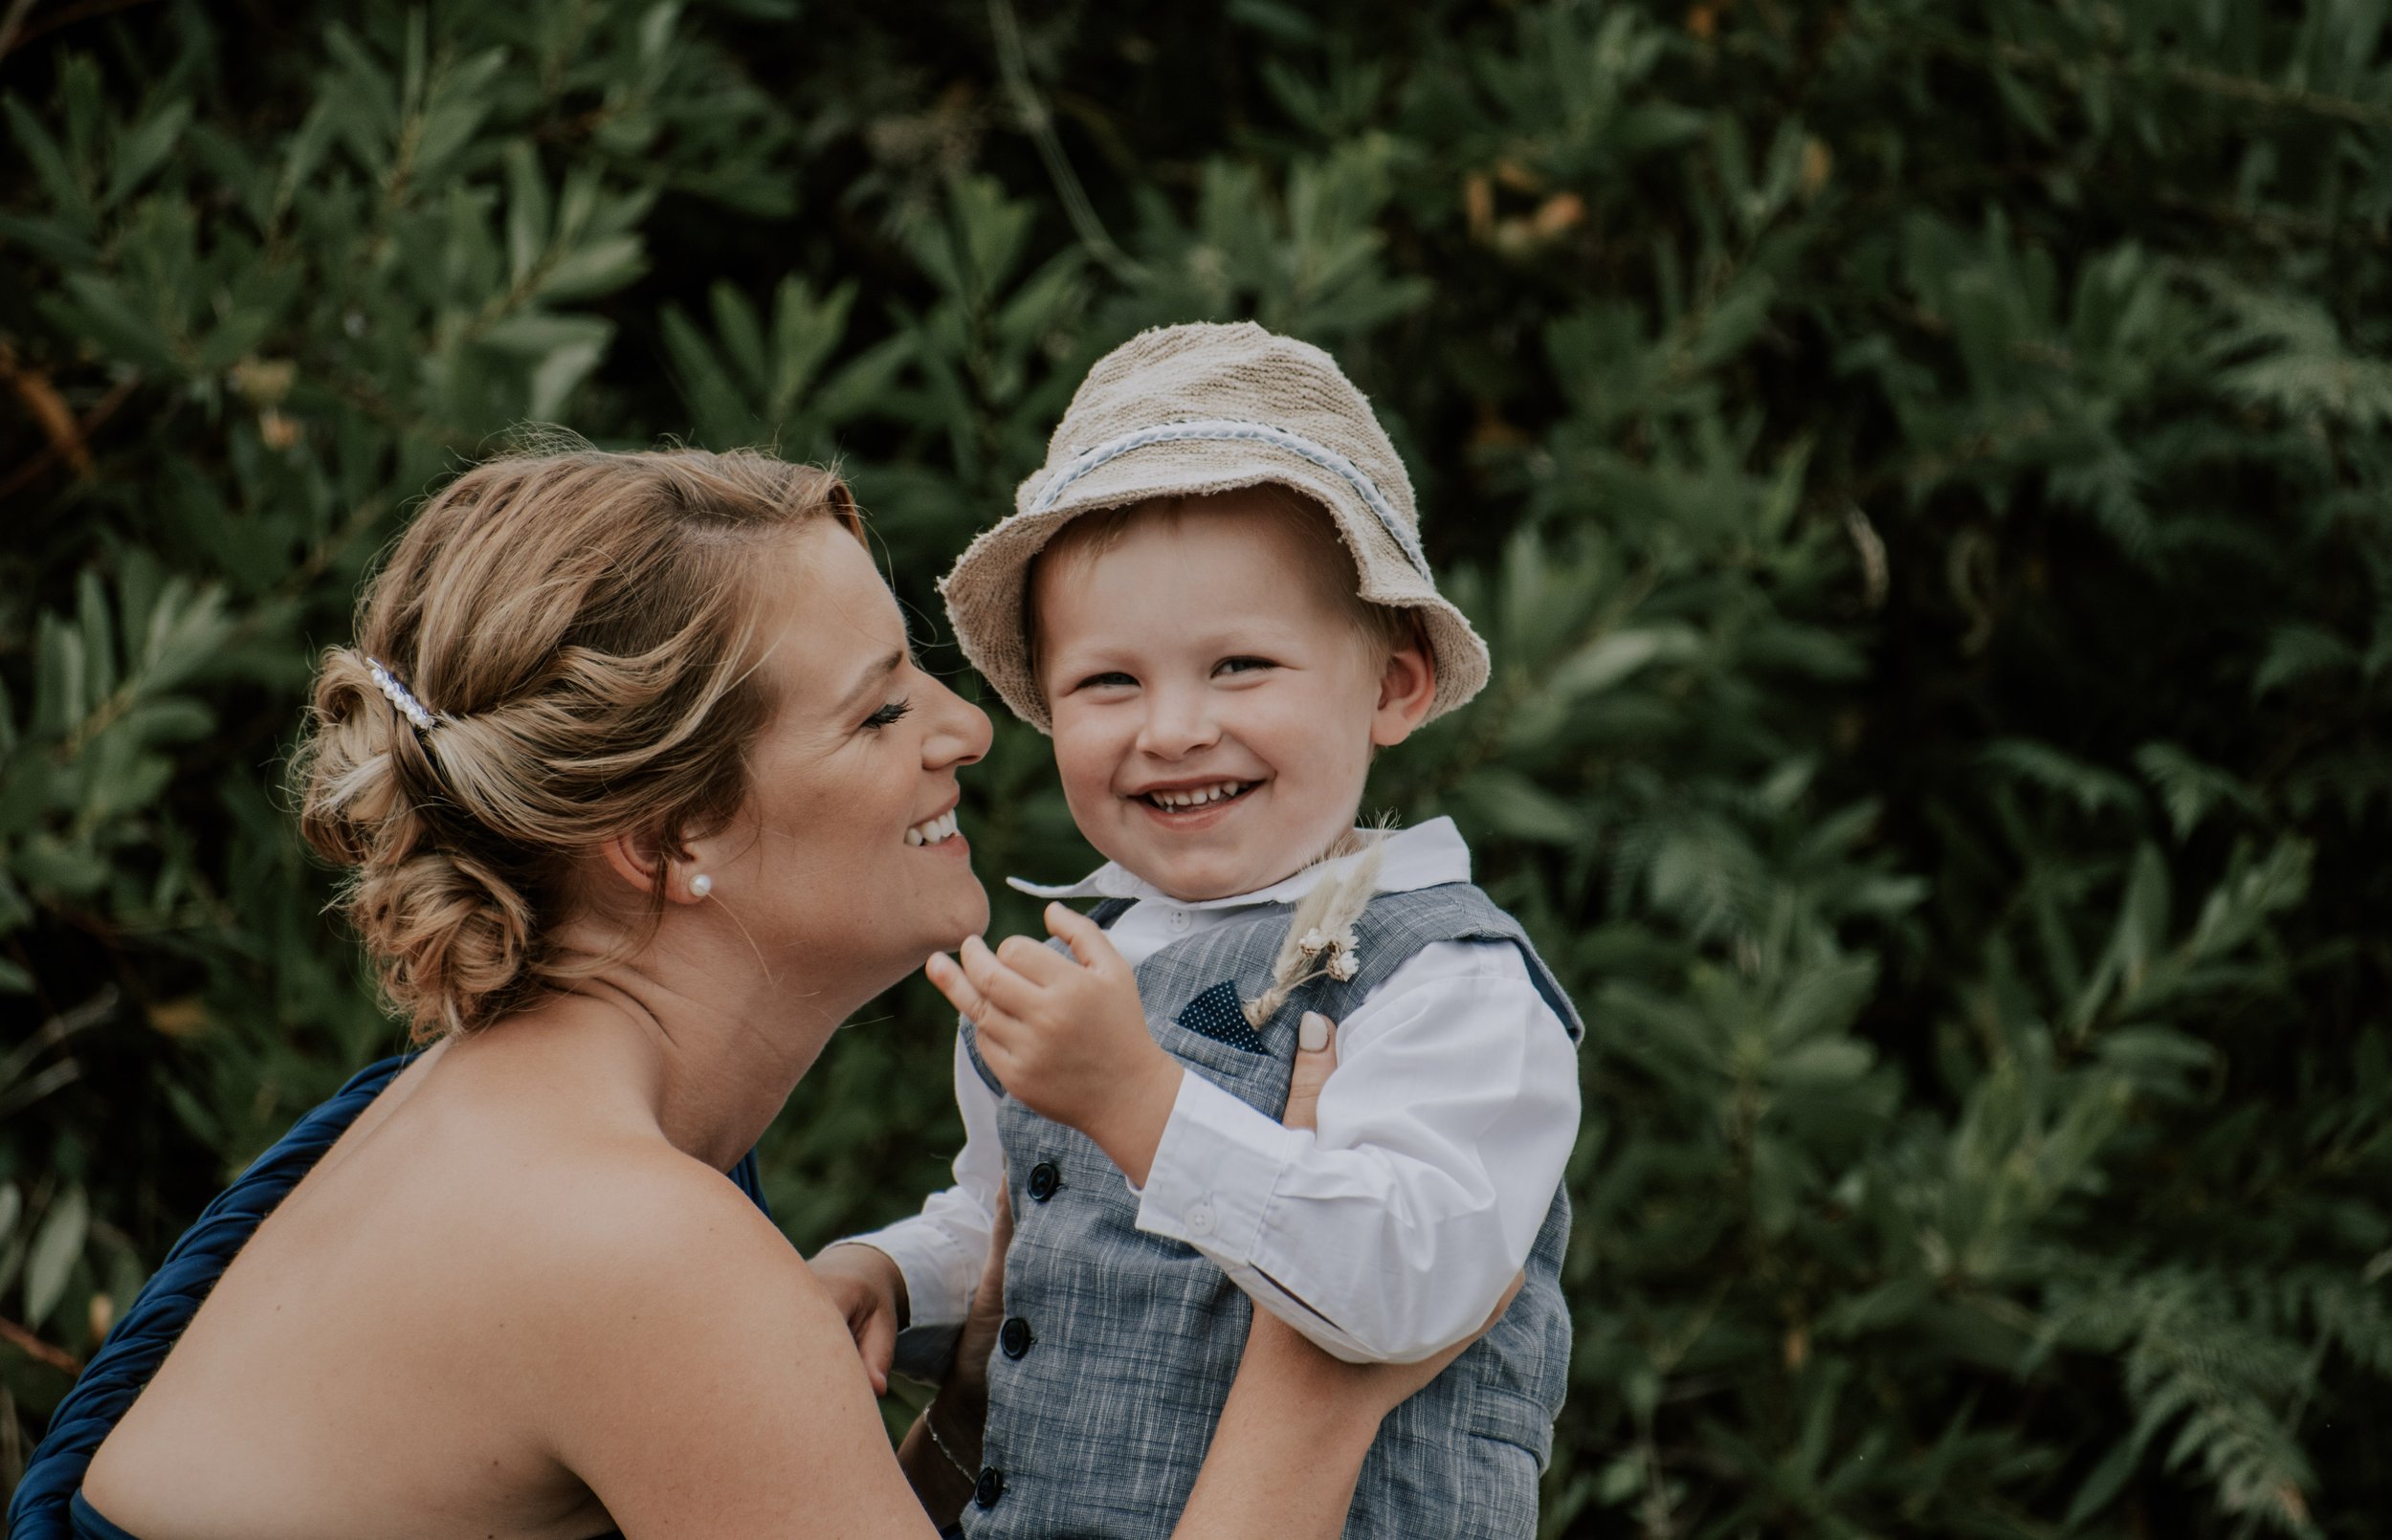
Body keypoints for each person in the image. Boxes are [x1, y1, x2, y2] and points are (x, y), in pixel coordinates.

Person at [10, 446, 1490, 1540]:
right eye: (881, 705)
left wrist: (970, 1408)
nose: (973, 728)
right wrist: (1318, 1378)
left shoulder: (505, 1115)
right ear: (669, 839)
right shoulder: (640, 1248)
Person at [811, 322, 1584, 1539]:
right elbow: (1025, 1224)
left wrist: (1139, 1100)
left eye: (1239, 665)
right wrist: (897, 1275)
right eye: (1108, 682)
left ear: (1393, 685)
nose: (1171, 729)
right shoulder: (1088, 961)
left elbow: (1415, 1290)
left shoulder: (1442, 978)